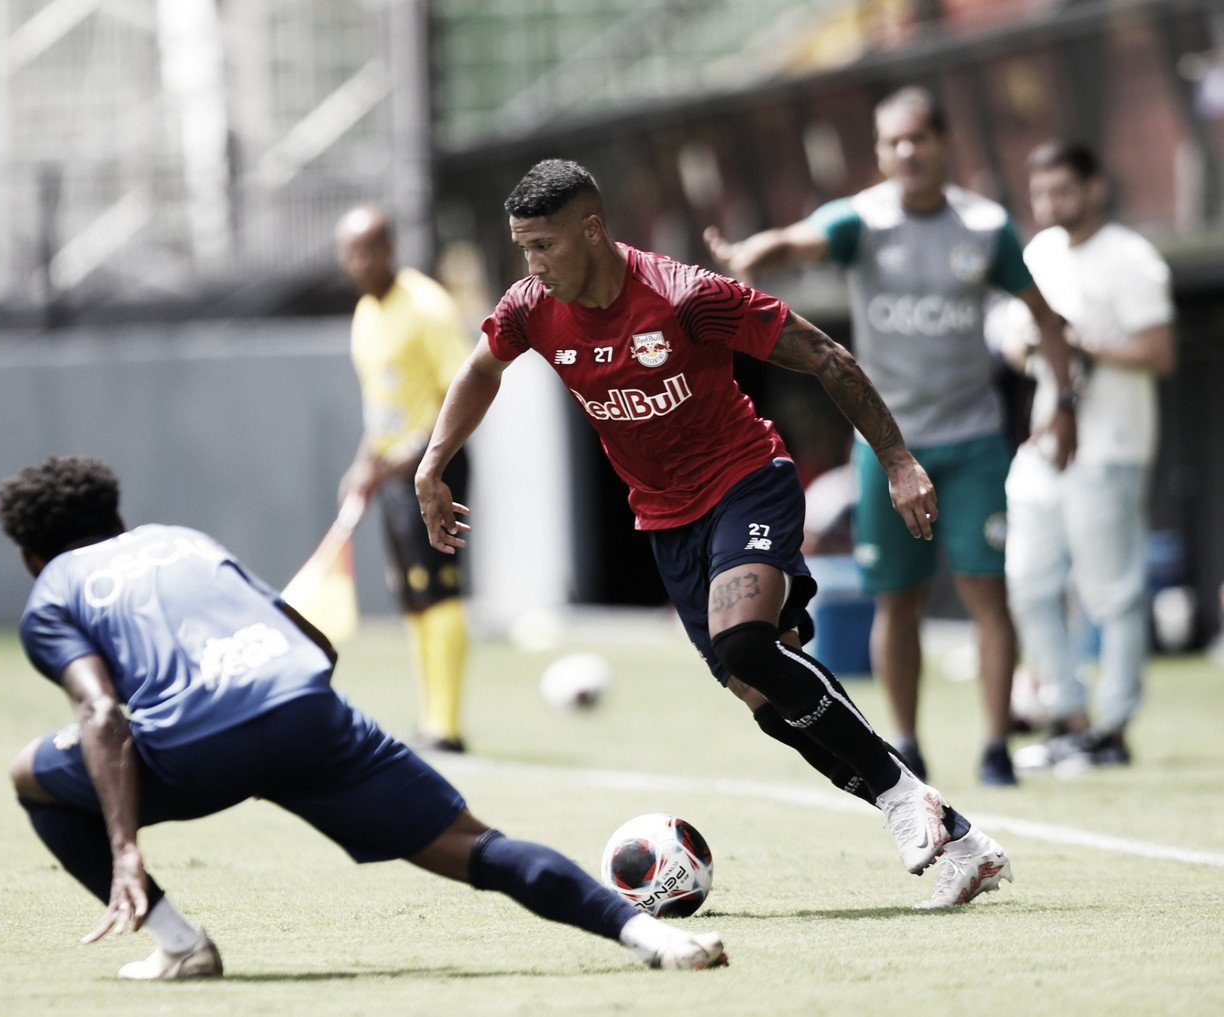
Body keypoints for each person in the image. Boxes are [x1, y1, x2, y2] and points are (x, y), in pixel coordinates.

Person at [415, 157, 1011, 909]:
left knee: (744, 642)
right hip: (666, 520)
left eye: (544, 246)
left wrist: (896, 459)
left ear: (591, 231)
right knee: (768, 701)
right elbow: (479, 370)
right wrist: (434, 463)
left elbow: (825, 356)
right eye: (523, 248)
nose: (531, 265)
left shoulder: (685, 296)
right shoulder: (532, 307)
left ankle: (901, 795)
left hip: (746, 481)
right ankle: (959, 837)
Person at [0, 455, 727, 980]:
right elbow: (308, 637)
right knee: (479, 846)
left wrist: (124, 846)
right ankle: (648, 936)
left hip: (192, 750)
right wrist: (308, 741)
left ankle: (179, 942)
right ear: (117, 520)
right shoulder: (181, 538)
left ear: (32, 557)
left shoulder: (52, 592)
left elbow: (100, 712)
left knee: (30, 773)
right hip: (304, 709)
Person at [703, 85, 1079, 787]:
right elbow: (797, 239)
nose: (907, 151)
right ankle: (907, 740)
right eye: (893, 142)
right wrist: (753, 252)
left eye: (920, 138)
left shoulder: (985, 227)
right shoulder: (863, 221)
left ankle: (997, 744)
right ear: (879, 154)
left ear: (944, 145)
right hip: (886, 445)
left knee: (985, 593)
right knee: (896, 599)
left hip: (972, 441)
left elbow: (1046, 317)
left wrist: (1062, 405)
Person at [1002, 141, 1176, 771]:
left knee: (1114, 592)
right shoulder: (1039, 252)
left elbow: (1160, 353)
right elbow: (1013, 341)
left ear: (1094, 187)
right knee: (1027, 581)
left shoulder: (1130, 257)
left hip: (1112, 444)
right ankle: (1070, 716)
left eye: (1063, 191)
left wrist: (1078, 342)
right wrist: (1034, 343)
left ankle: (1112, 726)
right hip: (1047, 440)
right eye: (1041, 191)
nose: (1051, 203)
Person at [335, 204, 473, 752]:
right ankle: (428, 717)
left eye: (370, 249)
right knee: (411, 593)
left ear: (391, 248)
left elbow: (456, 394)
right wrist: (364, 463)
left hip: (437, 465)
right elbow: (383, 409)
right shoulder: (366, 314)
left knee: (439, 588)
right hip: (394, 471)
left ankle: (448, 725)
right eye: (351, 252)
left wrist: (417, 460)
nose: (360, 261)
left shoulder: (427, 306)